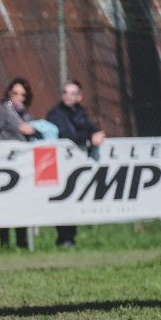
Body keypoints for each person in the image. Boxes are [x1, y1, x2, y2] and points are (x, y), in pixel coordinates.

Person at [45, 79, 106, 248]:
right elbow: (66, 135)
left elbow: (88, 128)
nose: (68, 96)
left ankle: (70, 236)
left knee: (74, 199)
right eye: (65, 92)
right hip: (60, 164)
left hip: (75, 165)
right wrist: (89, 137)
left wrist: (95, 134)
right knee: (61, 200)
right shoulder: (55, 114)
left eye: (72, 93)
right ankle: (63, 237)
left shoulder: (81, 113)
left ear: (79, 97)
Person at [0, 77, 36, 249]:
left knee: (22, 204)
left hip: (22, 166)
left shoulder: (25, 114)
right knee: (5, 204)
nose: (19, 97)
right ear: (8, 94)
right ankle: (5, 243)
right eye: (15, 93)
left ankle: (22, 242)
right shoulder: (3, 111)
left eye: (22, 94)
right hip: (5, 166)